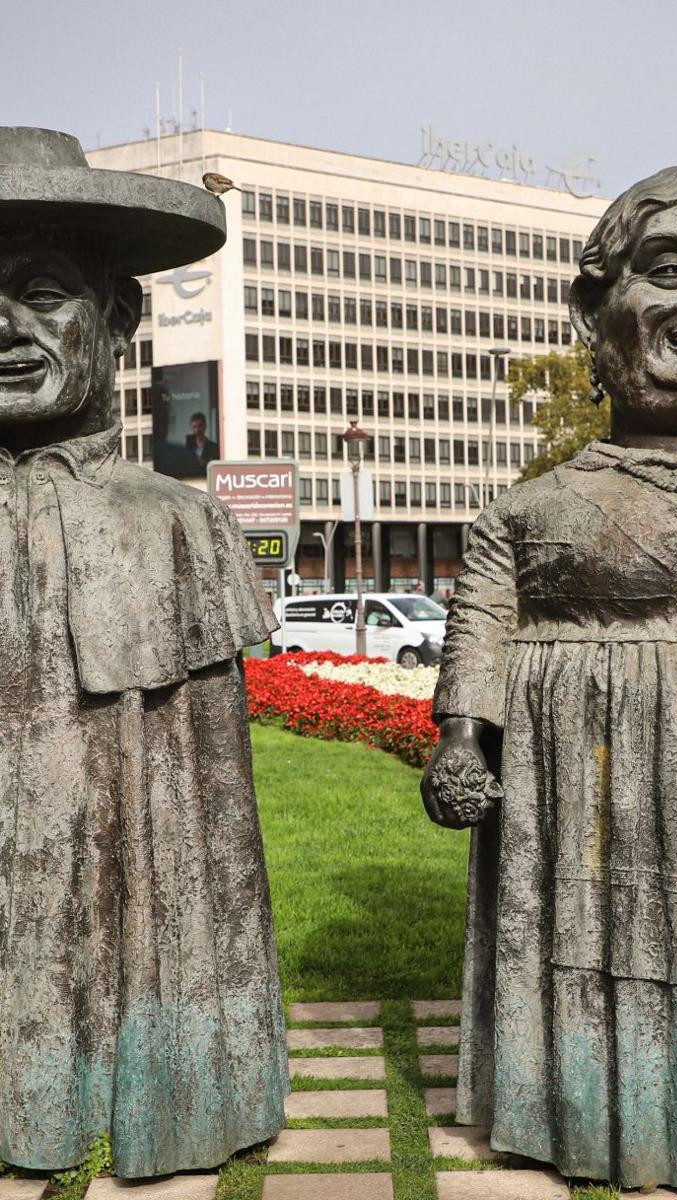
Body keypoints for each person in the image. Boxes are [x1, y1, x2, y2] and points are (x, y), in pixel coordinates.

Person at [0, 127, 288, 1179]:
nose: (6, 329)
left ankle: (161, 1090)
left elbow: (211, 817)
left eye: (43, 293)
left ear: (116, 315)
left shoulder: (179, 523)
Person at [422, 165, 677, 1192]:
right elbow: (482, 620)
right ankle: (578, 1101)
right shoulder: (524, 513)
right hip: (572, 783)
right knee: (581, 942)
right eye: (668, 270)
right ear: (596, 309)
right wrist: (460, 735)